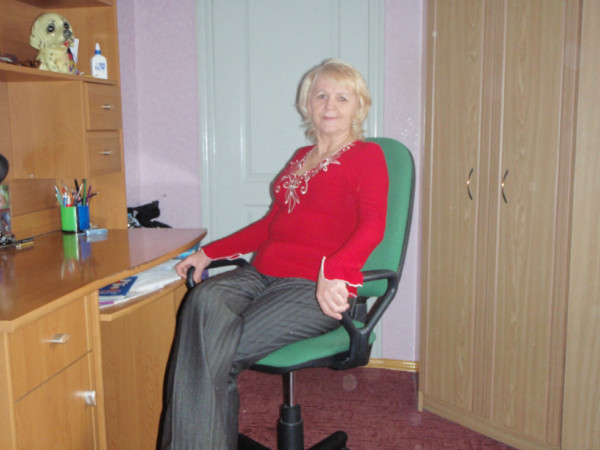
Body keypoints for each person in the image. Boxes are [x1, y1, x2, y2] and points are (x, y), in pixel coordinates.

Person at [159, 58, 389, 450]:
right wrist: (208, 253)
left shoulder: (367, 157)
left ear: (358, 107)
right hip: (260, 274)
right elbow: (270, 225)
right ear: (307, 104)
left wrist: (334, 270)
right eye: (321, 95)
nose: (330, 105)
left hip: (312, 287)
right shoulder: (300, 157)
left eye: (342, 97)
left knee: (214, 352)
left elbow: (373, 226)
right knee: (202, 300)